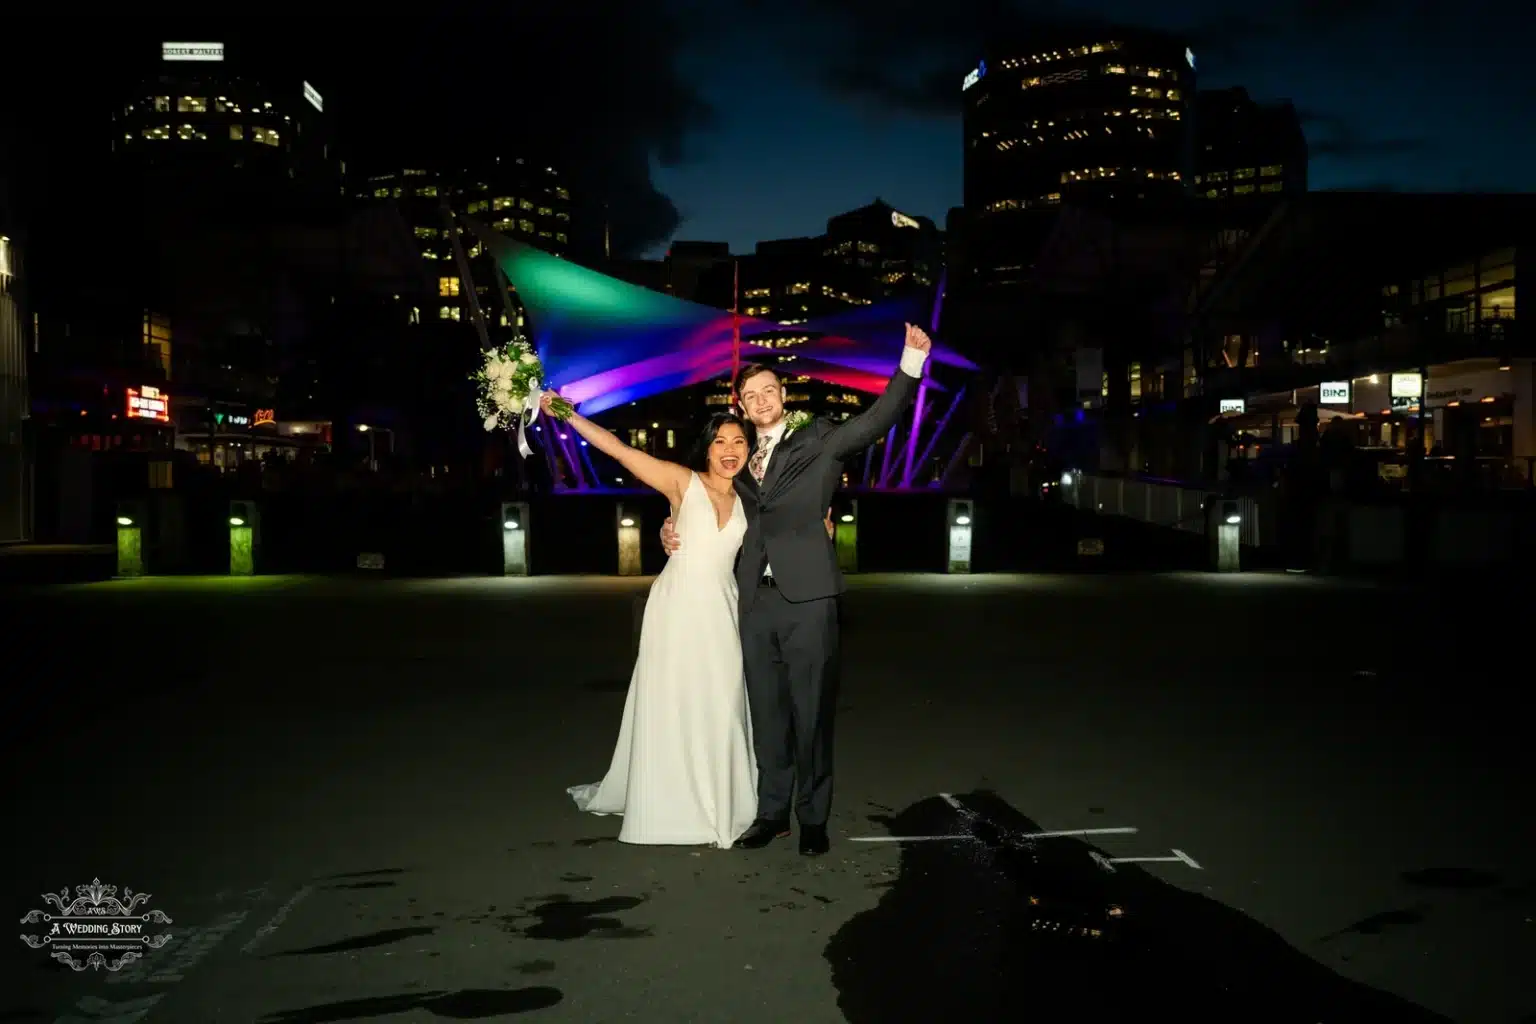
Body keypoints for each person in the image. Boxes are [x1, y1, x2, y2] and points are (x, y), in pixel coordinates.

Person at [661, 323, 932, 855]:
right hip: (752, 601)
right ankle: (771, 814)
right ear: (739, 403)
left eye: (769, 391)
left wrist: (910, 364)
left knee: (811, 714)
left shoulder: (821, 438)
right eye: (749, 395)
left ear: (784, 396)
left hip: (808, 599)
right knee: (766, 713)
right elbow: (697, 501)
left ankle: (813, 819)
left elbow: (879, 419)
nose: (760, 401)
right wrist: (668, 528)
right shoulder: (735, 460)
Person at [556, 396, 759, 849]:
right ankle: (674, 802)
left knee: (721, 700)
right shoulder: (681, 482)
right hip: (678, 604)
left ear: (748, 449)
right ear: (706, 448)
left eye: (739, 441)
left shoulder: (750, 496)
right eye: (720, 441)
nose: (729, 449)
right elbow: (618, 450)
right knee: (673, 698)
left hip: (723, 607)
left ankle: (722, 798)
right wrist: (566, 415)